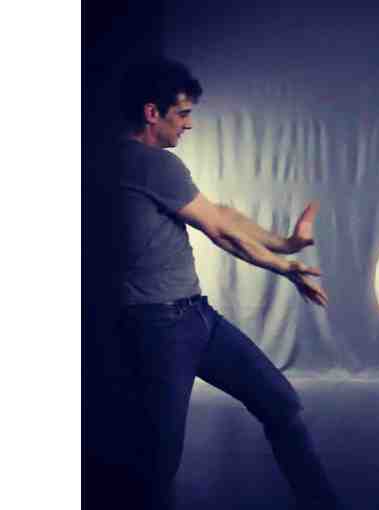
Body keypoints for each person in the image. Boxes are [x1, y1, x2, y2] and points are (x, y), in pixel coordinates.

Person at [115, 57, 342, 510]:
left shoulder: (134, 164)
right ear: (151, 112)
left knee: (281, 404)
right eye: (182, 113)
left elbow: (218, 215)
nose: (189, 124)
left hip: (197, 318)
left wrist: (284, 243)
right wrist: (285, 267)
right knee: (158, 462)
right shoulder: (150, 164)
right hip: (157, 330)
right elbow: (220, 232)